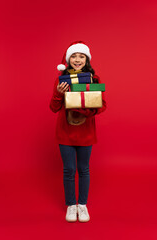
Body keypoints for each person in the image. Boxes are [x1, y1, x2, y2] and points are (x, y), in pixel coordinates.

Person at [49, 41, 106, 222]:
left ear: (86, 59)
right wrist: (59, 93)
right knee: (69, 169)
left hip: (86, 132)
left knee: (83, 169)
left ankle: (82, 205)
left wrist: (86, 108)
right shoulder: (60, 81)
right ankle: (71, 206)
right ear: (68, 60)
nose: (77, 59)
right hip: (65, 132)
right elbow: (53, 107)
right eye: (73, 56)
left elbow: (102, 105)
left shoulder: (94, 79)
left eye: (81, 56)